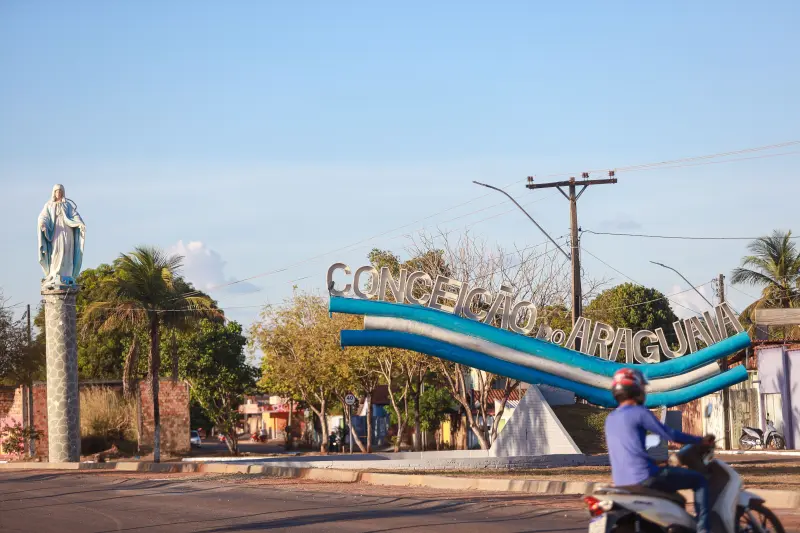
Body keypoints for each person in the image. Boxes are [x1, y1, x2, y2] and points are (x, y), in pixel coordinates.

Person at [604, 368, 715, 533]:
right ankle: (703, 529)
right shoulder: (639, 412)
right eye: (643, 388)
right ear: (636, 390)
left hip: (622, 482)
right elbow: (670, 434)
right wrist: (700, 441)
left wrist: (655, 461)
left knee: (672, 492)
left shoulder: (611, 418)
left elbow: (627, 451)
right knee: (699, 481)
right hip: (645, 477)